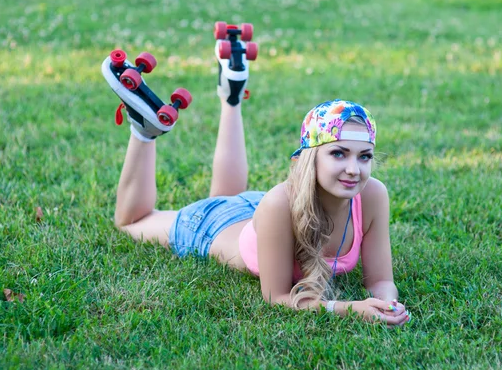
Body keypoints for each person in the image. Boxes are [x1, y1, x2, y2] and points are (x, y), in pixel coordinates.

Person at [101, 39, 411, 326]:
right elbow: (277, 298)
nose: (354, 169)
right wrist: (348, 308)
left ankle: (231, 96)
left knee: (229, 195)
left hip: (257, 210)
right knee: (131, 222)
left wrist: (387, 304)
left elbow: (380, 280)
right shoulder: (280, 204)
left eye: (365, 156)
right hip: (211, 225)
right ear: (310, 158)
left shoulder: (372, 195)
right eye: (339, 154)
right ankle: (144, 131)